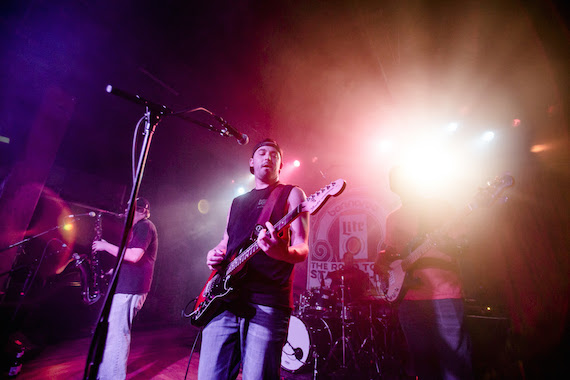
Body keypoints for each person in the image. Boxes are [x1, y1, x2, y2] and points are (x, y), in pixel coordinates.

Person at [197, 138, 309, 380]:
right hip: (224, 299)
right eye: (261, 153)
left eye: (273, 154)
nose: (267, 157)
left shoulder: (292, 193)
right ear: (251, 162)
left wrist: (282, 252)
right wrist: (214, 254)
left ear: (281, 164)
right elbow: (226, 242)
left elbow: (302, 247)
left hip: (267, 301)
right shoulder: (237, 201)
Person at [379, 166, 473, 380]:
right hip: (409, 299)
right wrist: (383, 262)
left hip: (444, 295)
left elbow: (464, 246)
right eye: (394, 180)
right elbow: (391, 254)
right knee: (422, 367)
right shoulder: (392, 218)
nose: (397, 183)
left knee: (454, 367)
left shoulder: (441, 208)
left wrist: (442, 241)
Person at [92, 197, 158, 380]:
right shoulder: (138, 229)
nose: (127, 210)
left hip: (131, 289)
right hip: (127, 287)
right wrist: (113, 271)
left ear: (142, 211)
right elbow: (132, 259)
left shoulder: (145, 225)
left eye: (132, 208)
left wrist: (105, 246)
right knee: (113, 333)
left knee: (118, 335)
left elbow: (135, 256)